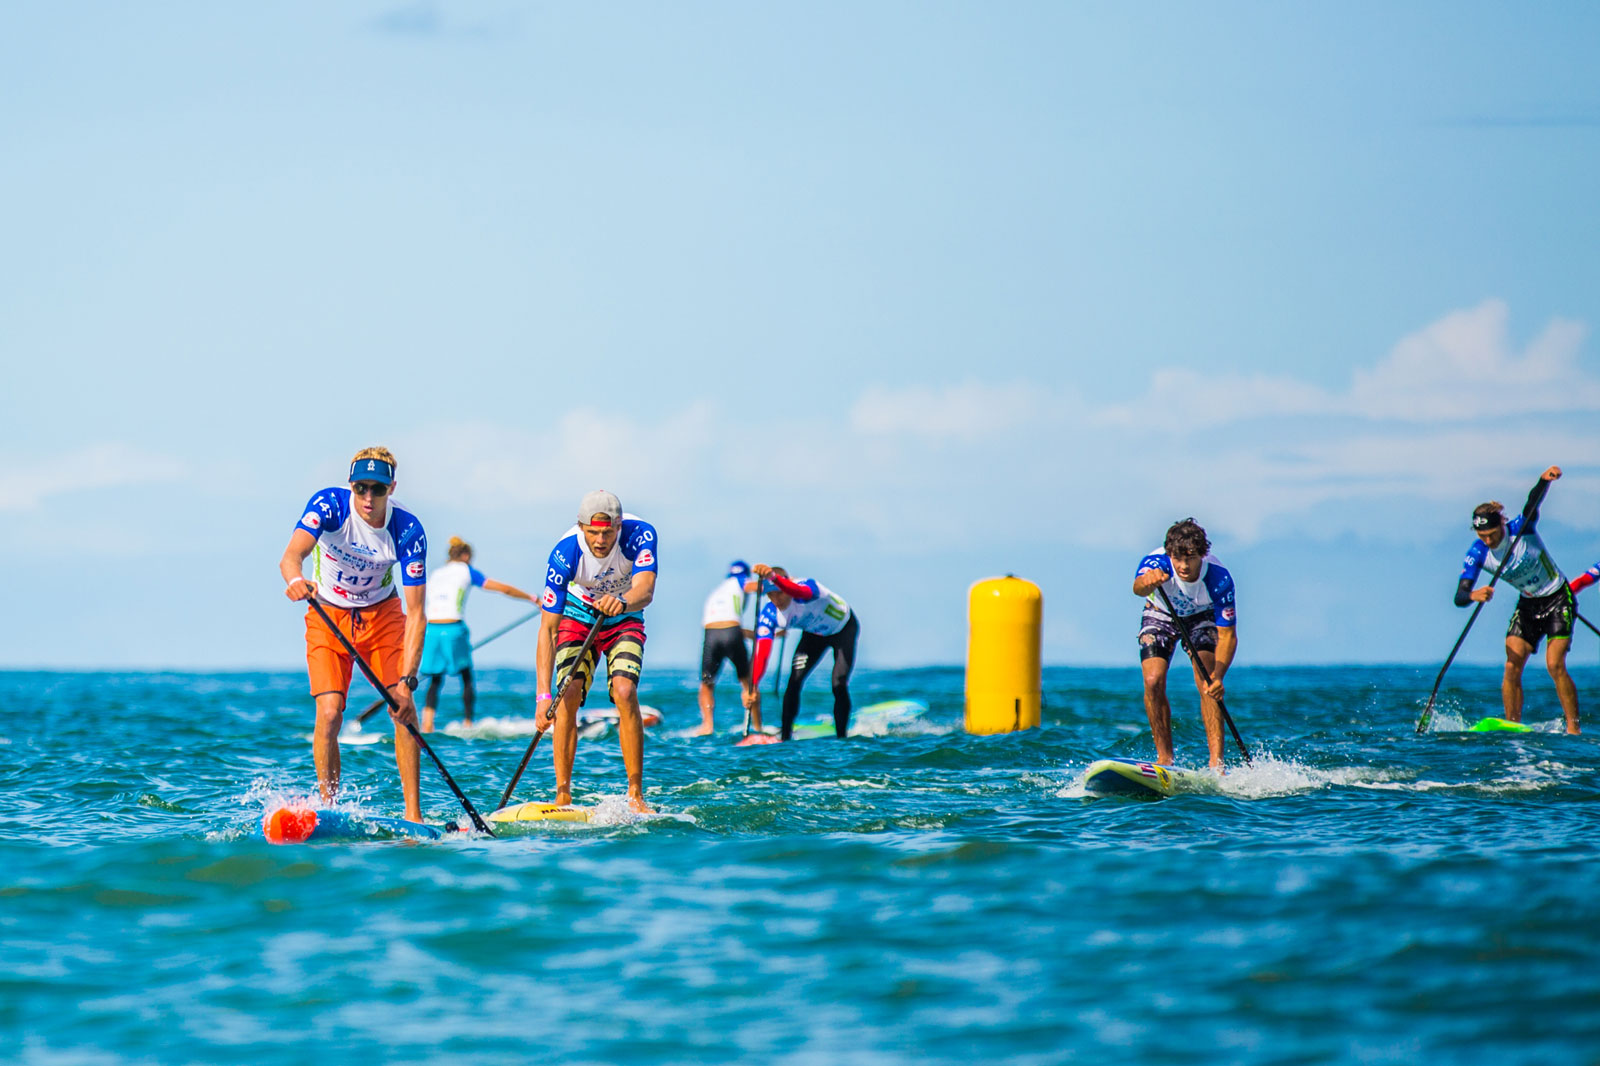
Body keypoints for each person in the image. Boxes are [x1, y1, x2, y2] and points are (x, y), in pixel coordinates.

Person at [277, 447, 428, 820]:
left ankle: (413, 815)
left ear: (391, 488)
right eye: (360, 488)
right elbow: (290, 557)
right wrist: (296, 581)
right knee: (329, 714)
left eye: (377, 489)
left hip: (383, 616)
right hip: (328, 613)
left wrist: (408, 681)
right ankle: (328, 811)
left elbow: (419, 614)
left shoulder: (407, 530)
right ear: (351, 486)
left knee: (402, 709)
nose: (368, 498)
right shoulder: (329, 506)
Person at [533, 491, 658, 812]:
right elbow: (547, 630)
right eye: (593, 532)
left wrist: (623, 602)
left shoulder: (640, 535)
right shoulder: (564, 553)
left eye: (607, 532)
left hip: (625, 612)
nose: (601, 540)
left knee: (625, 690)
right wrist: (543, 697)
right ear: (580, 527)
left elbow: (645, 589)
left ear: (619, 526)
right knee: (568, 695)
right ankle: (562, 794)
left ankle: (635, 793)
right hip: (578, 614)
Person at [1456, 465, 1579, 733]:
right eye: (1482, 536)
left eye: (1491, 534)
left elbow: (1532, 503)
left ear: (1500, 524)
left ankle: (1573, 728)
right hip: (1528, 603)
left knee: (1554, 664)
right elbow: (1460, 595)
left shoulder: (1519, 528)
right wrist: (1474, 595)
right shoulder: (1477, 553)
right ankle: (1513, 725)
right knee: (1512, 663)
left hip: (1558, 597)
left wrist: (1543, 481)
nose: (1488, 541)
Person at [1131, 518, 1237, 770]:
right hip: (1161, 612)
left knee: (1207, 682)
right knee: (1152, 679)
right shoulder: (1156, 562)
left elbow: (1228, 635)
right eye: (1178, 558)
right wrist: (1146, 582)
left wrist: (1219, 677)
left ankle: (1216, 764)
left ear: (1202, 554)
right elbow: (1137, 588)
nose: (1183, 566)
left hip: (1202, 616)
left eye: (1190, 558)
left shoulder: (1219, 579)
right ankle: (1164, 758)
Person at [418, 537, 536, 733]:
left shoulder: (436, 574)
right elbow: (503, 589)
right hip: (453, 628)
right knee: (466, 676)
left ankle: (427, 724)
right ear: (465, 556)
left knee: (435, 679)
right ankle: (468, 722)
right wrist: (532, 598)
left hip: (431, 630)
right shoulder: (466, 571)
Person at [746, 565, 858, 741]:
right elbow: (762, 652)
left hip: (844, 629)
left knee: (838, 682)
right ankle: (785, 738)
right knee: (794, 680)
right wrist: (753, 686)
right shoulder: (770, 613)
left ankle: (842, 739)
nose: (777, 599)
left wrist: (774, 578)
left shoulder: (809, 588)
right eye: (771, 595)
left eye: (780, 593)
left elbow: (798, 591)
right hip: (814, 635)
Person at [694, 561, 762, 736]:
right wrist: (779, 583)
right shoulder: (739, 582)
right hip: (731, 633)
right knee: (747, 682)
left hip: (711, 635)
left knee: (707, 683)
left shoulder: (718, 591)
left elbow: (724, 625)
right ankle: (757, 726)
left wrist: (766, 634)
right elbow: (755, 587)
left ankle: (707, 726)